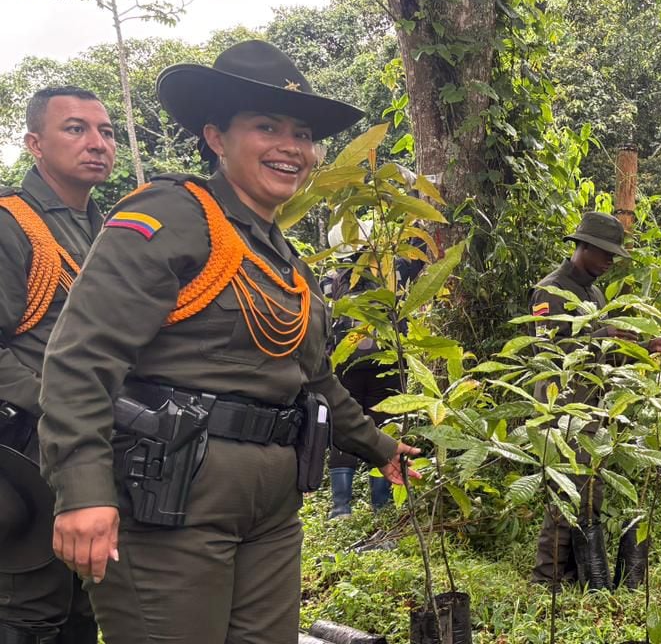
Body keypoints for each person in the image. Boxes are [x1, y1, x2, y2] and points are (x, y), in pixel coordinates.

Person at [36, 40, 420, 644]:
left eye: (304, 133)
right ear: (216, 137)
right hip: (173, 496)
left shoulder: (283, 256)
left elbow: (313, 377)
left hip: (273, 503)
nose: (292, 147)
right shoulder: (172, 215)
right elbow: (82, 357)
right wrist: (83, 491)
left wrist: (380, 448)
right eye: (267, 126)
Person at [0, 86, 114, 644]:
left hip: (91, 445)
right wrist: (54, 401)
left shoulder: (107, 230)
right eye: (75, 128)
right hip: (24, 447)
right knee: (28, 609)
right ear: (35, 144)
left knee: (85, 606)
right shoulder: (10, 223)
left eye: (107, 131)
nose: (96, 143)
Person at [528, 212, 661, 591]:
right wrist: (606, 332)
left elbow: (604, 355)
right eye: (605, 253)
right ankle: (547, 581)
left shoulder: (594, 293)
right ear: (583, 247)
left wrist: (645, 347)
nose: (610, 261)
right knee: (564, 500)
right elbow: (552, 350)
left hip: (594, 413)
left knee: (589, 500)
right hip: (562, 412)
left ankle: (576, 577)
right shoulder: (550, 290)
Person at [322, 219, 424, 519]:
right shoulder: (391, 273)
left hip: (344, 363)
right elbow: (418, 255)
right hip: (387, 361)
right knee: (385, 425)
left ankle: (341, 507)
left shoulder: (330, 279)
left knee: (344, 426)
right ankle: (382, 506)